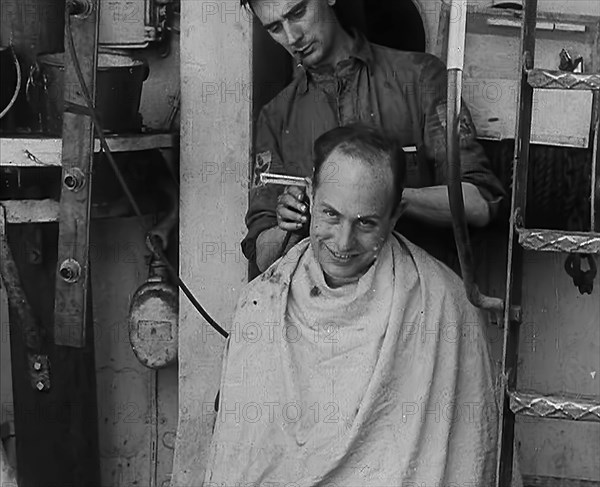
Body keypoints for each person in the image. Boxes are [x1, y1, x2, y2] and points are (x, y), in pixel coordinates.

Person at [204, 124, 498, 486]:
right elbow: (239, 461)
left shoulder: (444, 306)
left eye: (366, 223)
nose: (343, 242)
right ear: (310, 196)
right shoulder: (262, 302)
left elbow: (467, 459)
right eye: (330, 214)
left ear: (395, 214)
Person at [241, 0, 505, 275]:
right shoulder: (276, 117)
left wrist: (386, 196)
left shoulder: (421, 79)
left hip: (415, 301)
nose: (293, 37)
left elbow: (480, 203)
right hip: (320, 309)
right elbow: (261, 257)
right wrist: (290, 227)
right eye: (275, 28)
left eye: (298, 13)